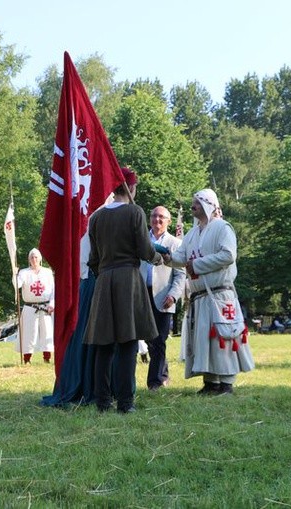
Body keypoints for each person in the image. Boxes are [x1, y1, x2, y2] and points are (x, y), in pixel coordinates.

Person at [84, 167, 162, 413]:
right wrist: (157, 258)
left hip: (105, 280)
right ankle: (126, 403)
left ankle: (103, 401)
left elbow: (93, 258)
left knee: (104, 344)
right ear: (132, 188)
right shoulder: (134, 212)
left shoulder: (96, 218)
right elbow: (144, 249)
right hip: (128, 279)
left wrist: (104, 274)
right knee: (128, 341)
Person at [165, 189, 254, 395]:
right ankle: (211, 382)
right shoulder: (192, 233)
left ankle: (226, 384)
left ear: (207, 204)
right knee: (204, 340)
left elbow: (228, 255)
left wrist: (196, 265)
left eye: (196, 202)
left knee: (222, 338)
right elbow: (180, 258)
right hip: (200, 297)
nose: (192, 206)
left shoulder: (223, 227)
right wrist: (164, 258)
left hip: (220, 295)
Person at [139, 205, 186, 391]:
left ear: (168, 221)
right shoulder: (141, 240)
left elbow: (180, 274)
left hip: (163, 297)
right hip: (141, 295)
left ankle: (155, 382)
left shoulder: (176, 243)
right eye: (154, 216)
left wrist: (174, 295)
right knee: (149, 340)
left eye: (161, 217)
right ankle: (163, 373)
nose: (157, 220)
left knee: (159, 339)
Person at [16, 248, 55, 364]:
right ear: (29, 260)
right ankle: (27, 359)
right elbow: (17, 285)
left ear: (40, 259)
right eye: (32, 257)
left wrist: (52, 304)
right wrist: (15, 274)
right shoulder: (24, 273)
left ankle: (47, 358)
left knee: (47, 332)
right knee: (29, 333)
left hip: (45, 307)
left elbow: (53, 290)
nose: (34, 259)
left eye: (36, 257)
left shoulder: (47, 272)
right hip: (30, 307)